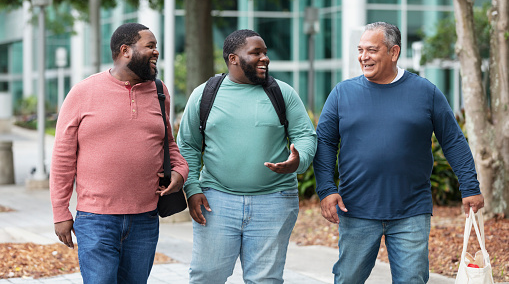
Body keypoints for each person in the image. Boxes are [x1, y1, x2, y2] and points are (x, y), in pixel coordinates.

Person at [313, 22, 484, 284]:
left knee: (412, 280)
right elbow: (324, 142)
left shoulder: (425, 92)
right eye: (360, 50)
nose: (363, 56)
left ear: (394, 52)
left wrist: (470, 186)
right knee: (347, 278)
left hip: (411, 210)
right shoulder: (342, 93)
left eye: (372, 50)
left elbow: (452, 140)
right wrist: (326, 189)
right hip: (356, 208)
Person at [50, 22, 189, 284]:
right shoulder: (83, 92)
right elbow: (62, 157)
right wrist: (61, 213)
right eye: (150, 46)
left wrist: (180, 173)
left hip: (145, 219)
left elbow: (169, 144)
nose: (156, 52)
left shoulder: (160, 92)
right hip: (96, 219)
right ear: (125, 51)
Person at [177, 29, 317, 283]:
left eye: (265, 52)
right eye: (256, 53)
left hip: (275, 201)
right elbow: (187, 145)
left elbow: (306, 136)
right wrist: (192, 188)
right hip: (216, 200)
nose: (265, 58)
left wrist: (298, 161)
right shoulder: (204, 94)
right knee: (207, 275)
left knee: (265, 279)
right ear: (233, 58)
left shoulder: (282, 93)